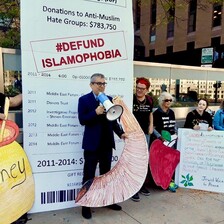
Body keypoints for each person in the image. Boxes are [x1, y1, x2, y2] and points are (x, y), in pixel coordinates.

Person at [78, 73, 127, 219]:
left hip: (106, 144)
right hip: (92, 146)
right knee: (89, 176)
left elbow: (112, 121)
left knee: (106, 175)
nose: (101, 86)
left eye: (104, 83)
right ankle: (85, 205)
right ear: (91, 85)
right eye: (98, 83)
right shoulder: (84, 100)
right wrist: (95, 112)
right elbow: (82, 120)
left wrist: (121, 133)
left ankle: (107, 201)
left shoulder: (109, 100)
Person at [131, 77, 153, 202]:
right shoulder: (131, 98)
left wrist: (151, 125)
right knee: (134, 160)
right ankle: (134, 189)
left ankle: (141, 185)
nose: (139, 90)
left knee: (143, 160)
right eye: (137, 87)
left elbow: (150, 113)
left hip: (145, 134)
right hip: (134, 134)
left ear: (147, 90)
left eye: (142, 88)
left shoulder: (149, 100)